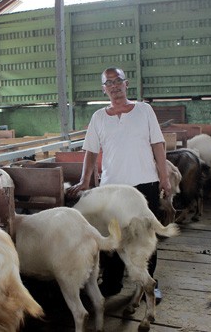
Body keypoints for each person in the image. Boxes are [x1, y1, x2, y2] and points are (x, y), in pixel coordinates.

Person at [66, 66, 171, 301]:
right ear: (104, 89)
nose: (114, 87)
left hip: (145, 185)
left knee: (145, 236)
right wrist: (85, 181)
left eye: (117, 81)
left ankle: (148, 284)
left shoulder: (144, 110)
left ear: (127, 83)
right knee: (113, 235)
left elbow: (158, 145)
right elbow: (91, 152)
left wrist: (164, 178)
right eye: (108, 83)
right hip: (112, 189)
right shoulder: (99, 117)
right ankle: (112, 282)